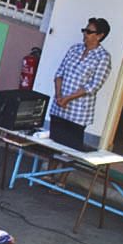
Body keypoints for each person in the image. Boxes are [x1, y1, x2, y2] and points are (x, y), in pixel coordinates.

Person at [47, 16, 111, 151]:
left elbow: (93, 86)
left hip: (77, 113)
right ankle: (49, 171)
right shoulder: (74, 49)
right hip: (59, 107)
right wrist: (59, 96)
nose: (84, 34)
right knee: (53, 146)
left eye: (89, 32)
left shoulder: (103, 57)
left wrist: (68, 99)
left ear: (99, 36)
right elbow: (59, 74)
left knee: (70, 151)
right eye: (84, 30)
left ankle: (61, 173)